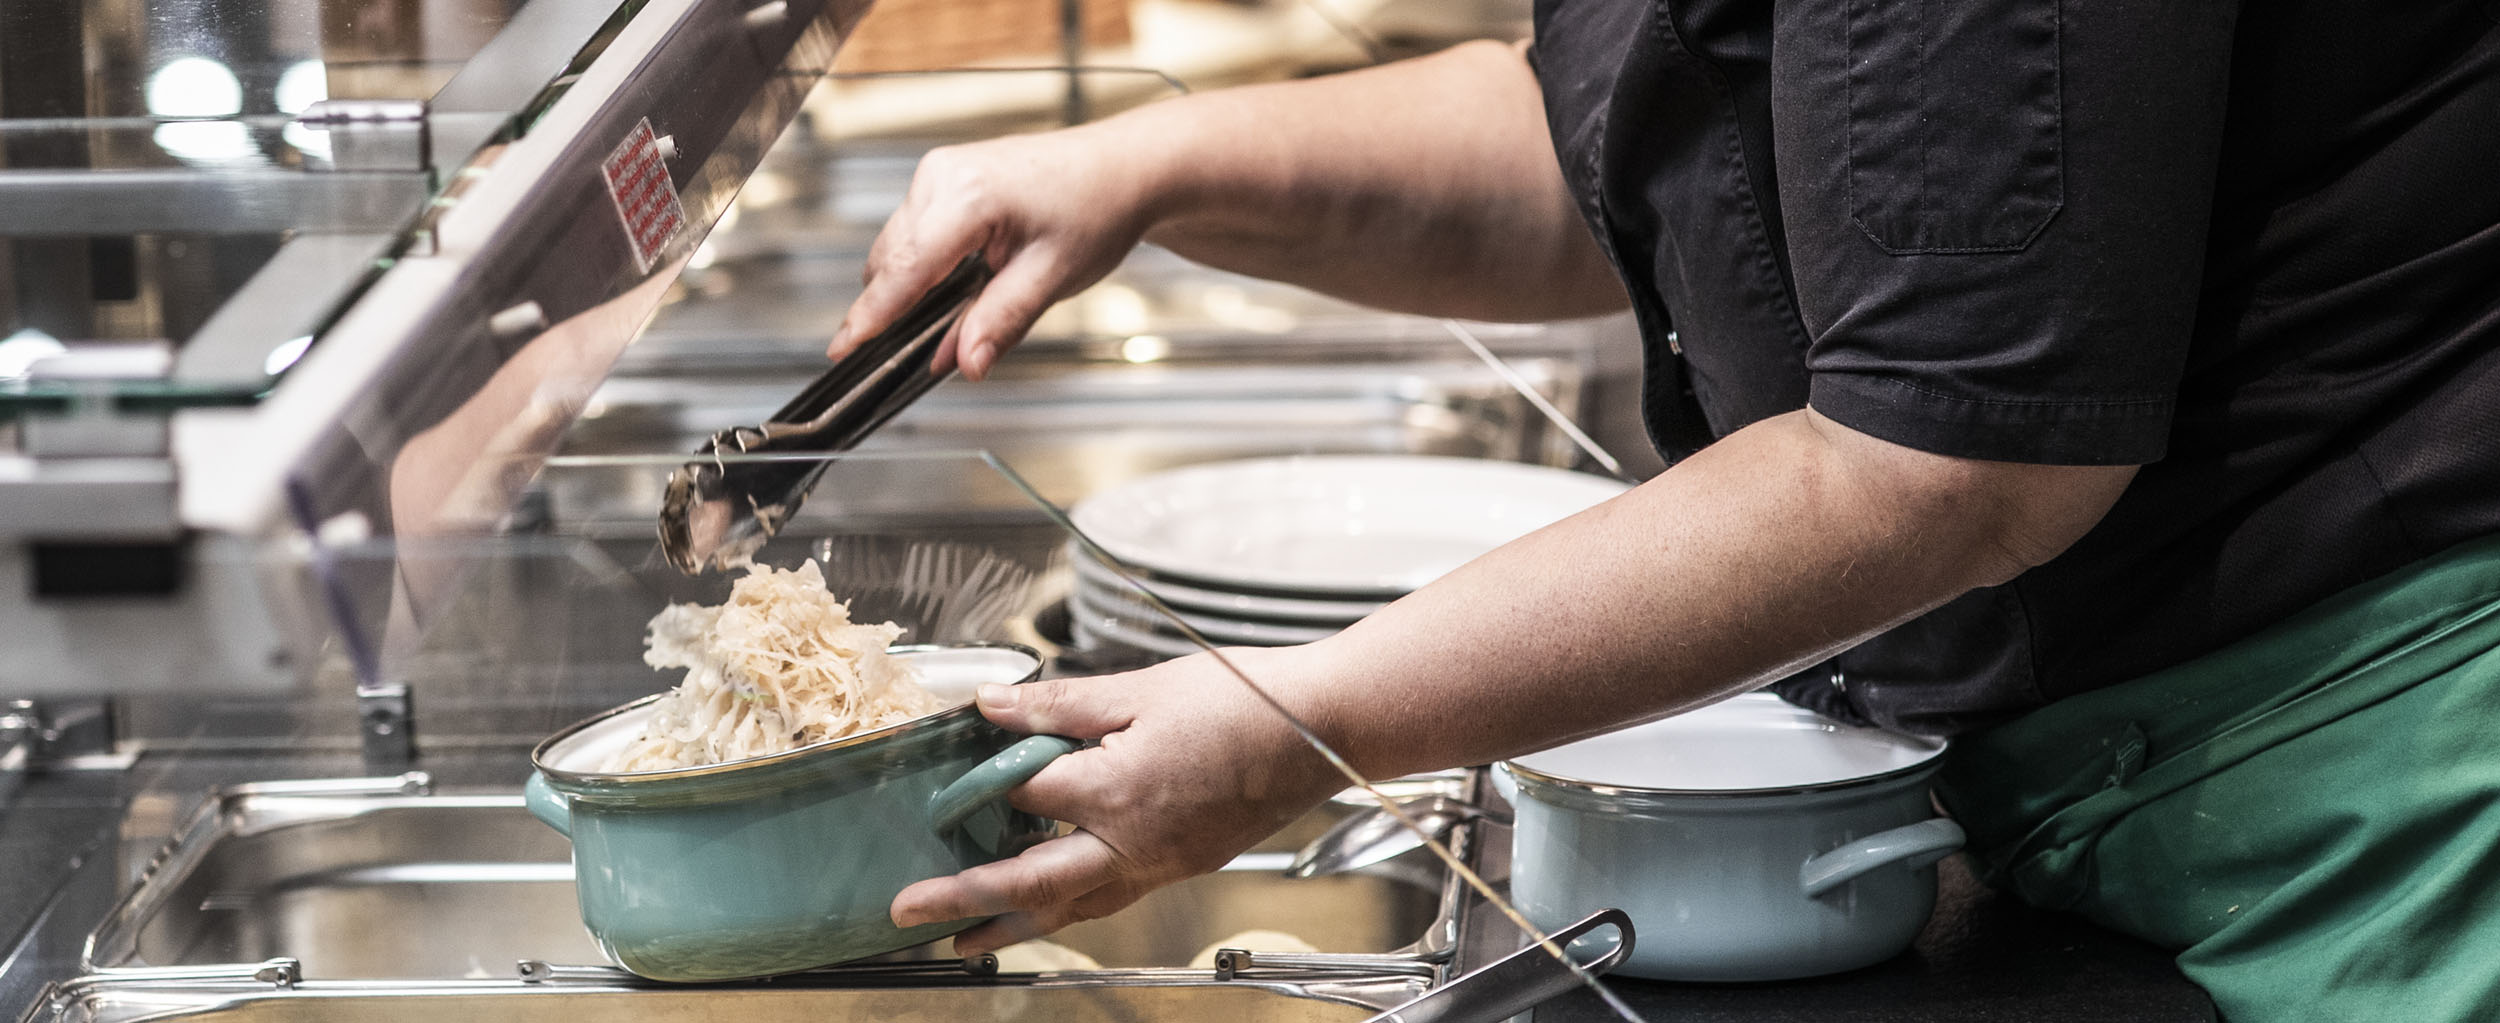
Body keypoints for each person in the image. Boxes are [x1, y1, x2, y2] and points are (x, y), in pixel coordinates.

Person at [832, 2, 2500, 1017]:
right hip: (2123, 768)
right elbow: (1642, 144)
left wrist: (1296, 721)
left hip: (2381, 785)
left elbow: (1951, 461)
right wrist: (1153, 168)